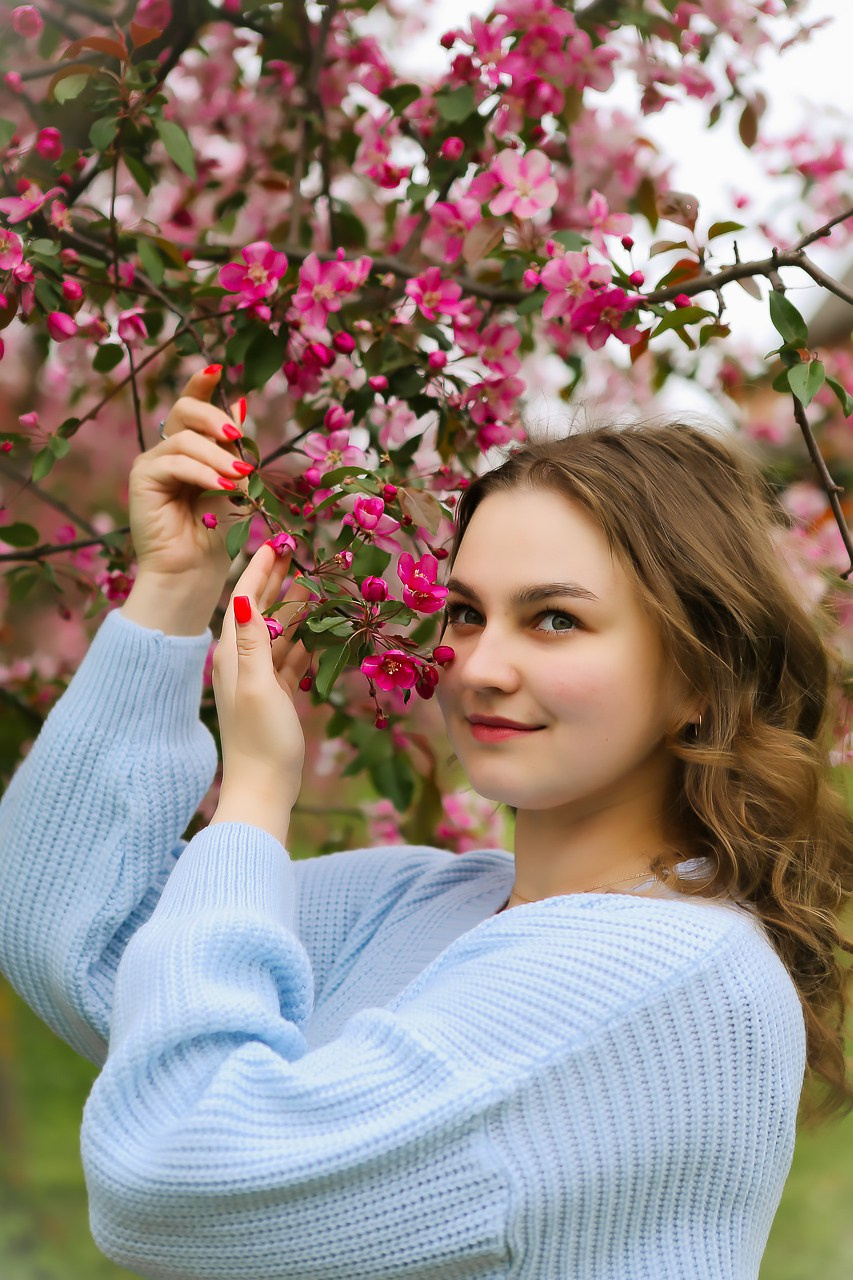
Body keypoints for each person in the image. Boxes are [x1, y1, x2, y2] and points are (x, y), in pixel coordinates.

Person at [0, 365, 850, 1280]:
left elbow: (167, 1175)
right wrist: (171, 591)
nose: (481, 666)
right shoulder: (418, 902)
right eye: (465, 613)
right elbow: (71, 926)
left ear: (699, 674)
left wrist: (253, 799)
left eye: (555, 620)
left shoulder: (666, 981)